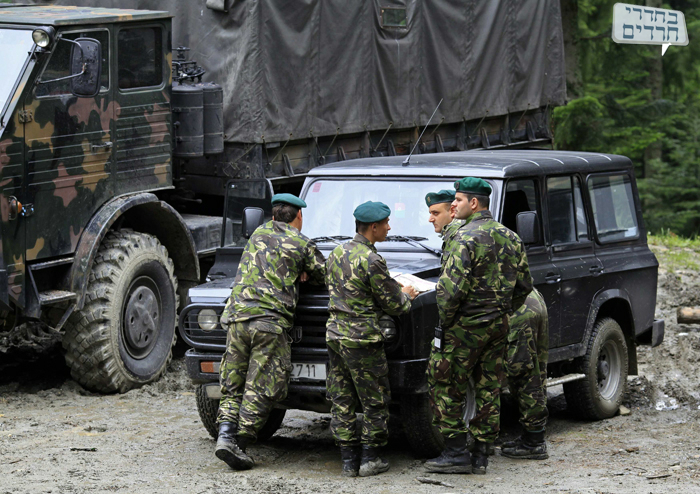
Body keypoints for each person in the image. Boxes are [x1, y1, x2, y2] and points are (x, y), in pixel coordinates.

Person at [426, 177, 533, 475]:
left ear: (473, 203)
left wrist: (447, 324)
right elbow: (524, 286)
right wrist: (502, 310)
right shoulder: (510, 237)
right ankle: (482, 454)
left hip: (464, 328)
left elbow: (449, 292)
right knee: (489, 387)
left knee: (444, 385)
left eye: (457, 200)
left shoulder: (464, 238)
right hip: (498, 325)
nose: (453, 205)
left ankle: (455, 452)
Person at [215, 193, 326, 471]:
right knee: (262, 385)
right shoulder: (301, 242)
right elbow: (323, 275)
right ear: (298, 216)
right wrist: (305, 272)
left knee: (233, 382)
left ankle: (225, 434)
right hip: (269, 322)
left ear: (273, 216)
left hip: (238, 318)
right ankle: (239, 442)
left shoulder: (256, 235)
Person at [325, 201, 418, 478]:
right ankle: (370, 458)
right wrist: (407, 295)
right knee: (374, 399)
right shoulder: (372, 260)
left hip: (335, 336)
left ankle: (347, 459)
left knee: (341, 398)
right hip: (362, 339)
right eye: (387, 223)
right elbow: (395, 305)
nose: (389, 228)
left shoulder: (336, 252)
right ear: (373, 227)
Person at [502, 287, 549, 459]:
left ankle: (534, 442)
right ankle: (533, 436)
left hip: (518, 309)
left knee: (523, 374)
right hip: (530, 297)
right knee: (536, 370)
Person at [425, 189, 461, 270]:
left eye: (435, 213)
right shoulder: (452, 236)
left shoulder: (460, 238)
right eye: (430, 214)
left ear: (453, 211)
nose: (430, 219)